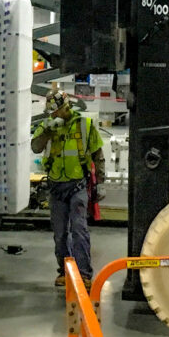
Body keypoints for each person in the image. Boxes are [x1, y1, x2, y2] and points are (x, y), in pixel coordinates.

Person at [30, 90, 106, 289]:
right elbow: (36, 147)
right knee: (60, 233)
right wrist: (47, 131)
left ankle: (84, 274)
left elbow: (98, 155)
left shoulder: (84, 126)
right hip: (56, 187)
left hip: (77, 186)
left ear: (66, 107)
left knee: (79, 229)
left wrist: (100, 183)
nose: (54, 115)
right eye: (51, 113)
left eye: (57, 111)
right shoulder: (48, 127)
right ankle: (64, 271)